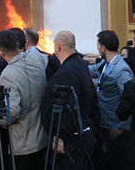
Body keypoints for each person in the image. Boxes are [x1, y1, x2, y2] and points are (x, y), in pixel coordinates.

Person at [41, 30, 98, 170]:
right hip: (84, 132)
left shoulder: (65, 74)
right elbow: (93, 95)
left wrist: (58, 136)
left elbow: (65, 108)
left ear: (58, 47)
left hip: (71, 141)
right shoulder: (81, 65)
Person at [0, 28, 48, 170]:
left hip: (23, 144)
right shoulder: (37, 60)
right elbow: (45, 58)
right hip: (42, 139)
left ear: (1, 53)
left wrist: (2, 121)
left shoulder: (8, 74)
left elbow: (12, 112)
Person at [90, 29, 132, 167]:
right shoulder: (106, 64)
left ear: (103, 47)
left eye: (97, 45)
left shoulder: (121, 69)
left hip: (115, 128)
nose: (96, 48)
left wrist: (122, 128)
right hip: (105, 124)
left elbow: (130, 98)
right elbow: (92, 70)